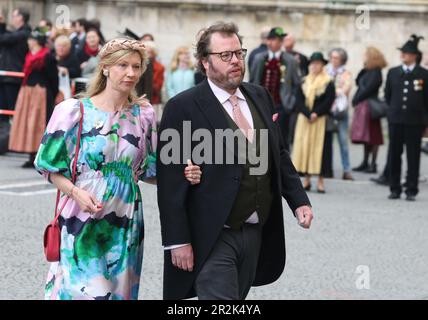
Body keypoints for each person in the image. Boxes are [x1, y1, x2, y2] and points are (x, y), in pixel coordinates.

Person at [34, 38, 201, 300]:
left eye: (136, 66)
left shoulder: (142, 115)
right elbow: (48, 167)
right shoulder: (73, 111)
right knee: (84, 293)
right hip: (81, 219)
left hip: (125, 224)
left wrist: (183, 173)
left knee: (117, 294)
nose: (131, 73)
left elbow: (153, 170)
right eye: (123, 65)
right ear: (105, 67)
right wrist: (76, 193)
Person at [157, 22, 313, 300]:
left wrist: (298, 199)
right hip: (211, 234)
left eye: (238, 53)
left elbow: (276, 153)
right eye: (225, 56)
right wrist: (177, 241)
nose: (235, 61)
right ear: (205, 62)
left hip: (255, 231)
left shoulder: (260, 96)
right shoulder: (182, 107)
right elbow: (170, 183)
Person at [385, 35, 428, 201]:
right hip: (396, 119)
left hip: (414, 121)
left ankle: (411, 189)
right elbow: (388, 96)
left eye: (407, 52)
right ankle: (394, 187)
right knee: (395, 154)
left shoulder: (423, 74)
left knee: (413, 156)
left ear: (415, 55)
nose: (403, 55)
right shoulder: (393, 72)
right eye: (402, 52)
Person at [8, 28, 58, 168]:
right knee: (28, 123)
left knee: (39, 123)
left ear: (36, 41)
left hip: (41, 92)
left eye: (31, 39)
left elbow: (53, 78)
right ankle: (31, 155)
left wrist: (51, 94)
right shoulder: (29, 54)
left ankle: (40, 154)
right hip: (28, 91)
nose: (28, 41)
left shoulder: (47, 56)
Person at [250, 27, 301, 151]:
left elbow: (296, 84)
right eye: (273, 40)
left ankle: (283, 169)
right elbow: (252, 81)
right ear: (268, 41)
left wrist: (290, 102)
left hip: (281, 106)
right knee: (260, 138)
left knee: (282, 139)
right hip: (261, 106)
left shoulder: (290, 61)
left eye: (279, 40)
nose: (276, 42)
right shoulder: (259, 58)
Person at [292, 52, 336, 193]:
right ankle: (307, 179)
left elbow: (328, 100)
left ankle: (321, 181)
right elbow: (298, 100)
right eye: (312, 63)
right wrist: (307, 113)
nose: (314, 66)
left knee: (321, 150)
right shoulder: (304, 81)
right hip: (305, 120)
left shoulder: (328, 82)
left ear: (323, 65)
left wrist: (316, 113)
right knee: (305, 147)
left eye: (317, 64)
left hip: (320, 120)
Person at [351, 47, 387, 174]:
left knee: (374, 136)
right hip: (363, 105)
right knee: (366, 136)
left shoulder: (376, 72)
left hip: (370, 107)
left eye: (366, 54)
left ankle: (373, 164)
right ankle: (365, 162)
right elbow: (358, 82)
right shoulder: (368, 70)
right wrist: (363, 68)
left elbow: (369, 89)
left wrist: (356, 99)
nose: (363, 56)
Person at [0, 8, 31, 125]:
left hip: (13, 78)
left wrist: (1, 24)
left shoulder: (24, 33)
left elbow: (2, 38)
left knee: (12, 111)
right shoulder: (17, 33)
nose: (12, 19)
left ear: (21, 18)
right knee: (3, 112)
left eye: (14, 16)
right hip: (7, 76)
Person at [326, 48, 354, 181]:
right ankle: (327, 168)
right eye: (332, 57)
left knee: (343, 141)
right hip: (328, 111)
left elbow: (346, 89)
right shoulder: (326, 71)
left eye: (336, 58)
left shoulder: (346, 73)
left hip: (341, 111)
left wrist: (334, 91)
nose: (333, 60)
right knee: (327, 141)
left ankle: (346, 169)